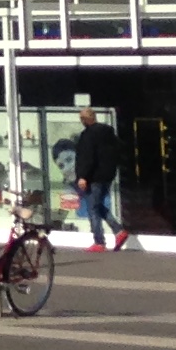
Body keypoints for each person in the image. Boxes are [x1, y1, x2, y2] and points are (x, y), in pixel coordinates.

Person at [71, 109, 131, 254]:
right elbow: (119, 151)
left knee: (93, 209)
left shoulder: (88, 135)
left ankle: (99, 242)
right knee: (97, 205)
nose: (81, 121)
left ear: (85, 119)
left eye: (81, 118)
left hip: (93, 177)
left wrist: (83, 176)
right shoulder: (109, 134)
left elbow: (87, 157)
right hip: (107, 176)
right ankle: (118, 231)